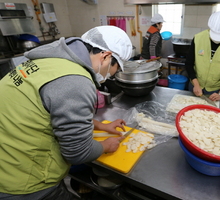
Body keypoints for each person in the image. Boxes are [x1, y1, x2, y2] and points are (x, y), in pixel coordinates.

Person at [0, 25, 132, 199]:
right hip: (24, 179)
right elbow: (78, 152)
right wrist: (106, 145)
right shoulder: (75, 80)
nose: (110, 76)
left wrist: (100, 125)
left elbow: (50, 110)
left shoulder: (47, 61)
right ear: (106, 56)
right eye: (116, 70)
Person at [185, 11, 220, 101]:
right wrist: (196, 84)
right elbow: (189, 63)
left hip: (215, 89)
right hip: (195, 84)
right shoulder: (198, 38)